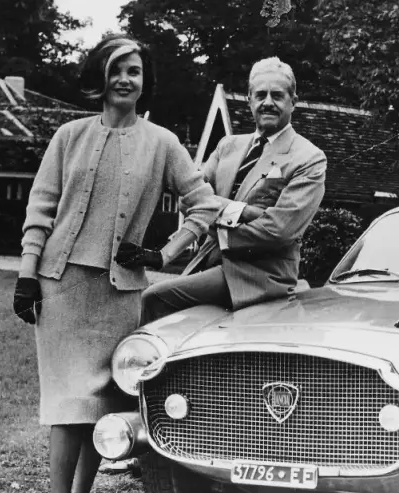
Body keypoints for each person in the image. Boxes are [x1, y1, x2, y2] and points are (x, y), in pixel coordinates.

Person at [12, 34, 224, 493]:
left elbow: (205, 205)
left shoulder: (163, 143)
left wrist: (161, 250)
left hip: (118, 293)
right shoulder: (69, 136)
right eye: (116, 69)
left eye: (134, 70)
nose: (125, 79)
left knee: (100, 405)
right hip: (61, 290)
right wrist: (26, 276)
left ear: (144, 80)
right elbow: (40, 210)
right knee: (67, 408)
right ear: (100, 76)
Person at [138, 56, 327, 323]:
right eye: (260, 95)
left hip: (260, 275)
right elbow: (187, 198)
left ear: (293, 101)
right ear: (249, 100)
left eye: (278, 95)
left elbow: (280, 229)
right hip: (209, 261)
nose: (268, 103)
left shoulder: (308, 157)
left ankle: (139, 365)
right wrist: (248, 211)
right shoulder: (228, 146)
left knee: (155, 297)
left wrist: (218, 212)